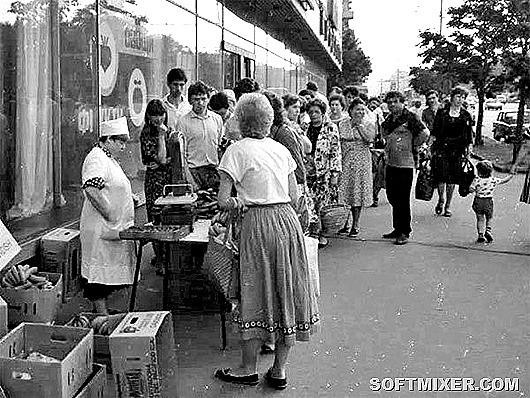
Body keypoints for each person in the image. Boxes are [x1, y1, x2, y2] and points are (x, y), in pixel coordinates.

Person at [214, 93, 319, 389]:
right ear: (269, 120)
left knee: (255, 290)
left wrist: (237, 202)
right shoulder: (280, 150)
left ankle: (248, 368)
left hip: (257, 224)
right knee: (286, 289)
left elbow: (223, 200)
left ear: (241, 120)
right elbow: (295, 196)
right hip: (286, 222)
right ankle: (279, 370)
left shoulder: (235, 151)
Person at [80, 117, 136, 315]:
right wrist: (110, 213)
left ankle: (103, 314)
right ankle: (101, 315)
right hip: (101, 227)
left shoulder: (108, 159)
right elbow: (91, 189)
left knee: (108, 272)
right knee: (99, 275)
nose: (123, 146)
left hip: (112, 229)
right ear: (108, 139)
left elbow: (112, 185)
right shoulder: (97, 157)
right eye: (120, 141)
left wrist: (129, 197)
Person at [381, 91, 429, 245]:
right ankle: (397, 227)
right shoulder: (389, 119)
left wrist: (412, 144)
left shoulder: (410, 118)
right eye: (389, 102)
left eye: (395, 101)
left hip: (406, 164)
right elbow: (384, 133)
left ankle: (404, 231)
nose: (392, 104)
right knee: (392, 196)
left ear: (402, 102)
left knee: (402, 198)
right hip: (391, 163)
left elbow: (425, 133)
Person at [140, 99, 173, 273]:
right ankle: (159, 260)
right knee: (156, 221)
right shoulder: (147, 133)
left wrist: (165, 160)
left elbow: (174, 156)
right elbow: (161, 159)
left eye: (161, 114)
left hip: (168, 181)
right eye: (154, 115)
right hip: (154, 182)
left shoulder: (169, 131)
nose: (159, 118)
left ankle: (166, 257)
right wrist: (161, 136)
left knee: (168, 219)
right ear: (148, 116)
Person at [431, 86, 474, 217]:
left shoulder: (466, 115)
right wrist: (428, 147)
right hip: (442, 149)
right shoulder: (442, 113)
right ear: (452, 97)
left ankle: (448, 205)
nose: (460, 99)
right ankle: (441, 199)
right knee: (441, 177)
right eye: (458, 96)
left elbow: (469, 135)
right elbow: (435, 132)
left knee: (452, 179)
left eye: (463, 97)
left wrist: (469, 150)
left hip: (457, 151)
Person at [305, 97, 342, 248]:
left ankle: (321, 233)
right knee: (309, 203)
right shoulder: (304, 127)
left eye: (316, 112)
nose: (313, 115)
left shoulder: (331, 128)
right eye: (311, 112)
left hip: (324, 172)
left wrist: (334, 174)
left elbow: (335, 151)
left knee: (322, 204)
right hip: (308, 171)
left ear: (322, 113)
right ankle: (312, 232)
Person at [175, 81, 224, 191]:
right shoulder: (183, 122)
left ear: (208, 99)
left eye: (203, 99)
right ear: (190, 101)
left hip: (214, 171)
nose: (200, 103)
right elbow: (182, 155)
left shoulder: (217, 119)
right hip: (194, 171)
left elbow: (219, 147)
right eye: (196, 99)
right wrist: (190, 180)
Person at [336, 97, 375, 236]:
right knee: (345, 191)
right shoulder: (342, 123)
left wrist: (359, 126)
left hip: (361, 162)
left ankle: (356, 224)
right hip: (346, 160)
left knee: (357, 192)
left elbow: (370, 139)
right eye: (357, 109)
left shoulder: (369, 123)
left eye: (362, 110)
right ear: (351, 110)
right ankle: (344, 222)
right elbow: (340, 139)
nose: (360, 112)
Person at [469, 160, 514, 243]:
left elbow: (471, 189)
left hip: (478, 201)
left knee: (480, 219)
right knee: (489, 218)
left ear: (479, 171)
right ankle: (488, 231)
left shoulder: (477, 180)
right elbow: (504, 180)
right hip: (488, 201)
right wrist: (511, 176)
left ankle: (480, 235)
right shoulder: (493, 180)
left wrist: (472, 189)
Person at [367, 97, 386, 207]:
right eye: (371, 103)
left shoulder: (379, 116)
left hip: (378, 148)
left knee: (378, 172)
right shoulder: (364, 115)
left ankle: (375, 195)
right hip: (368, 148)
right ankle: (370, 194)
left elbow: (384, 130)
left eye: (375, 104)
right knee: (371, 173)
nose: (373, 105)